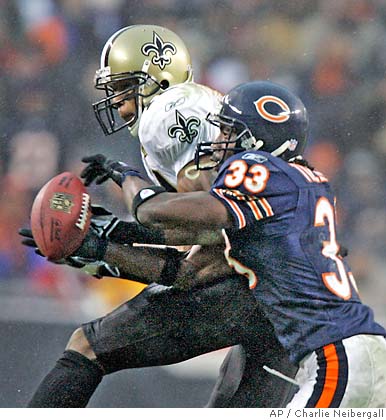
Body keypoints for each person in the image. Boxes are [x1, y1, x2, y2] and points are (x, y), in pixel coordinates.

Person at [22, 25, 297, 408]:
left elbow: (207, 241)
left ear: (155, 76)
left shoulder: (172, 112)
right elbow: (200, 245)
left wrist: (106, 245)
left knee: (86, 348)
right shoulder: (198, 107)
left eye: (122, 86)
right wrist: (107, 246)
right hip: (291, 296)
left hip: (254, 286)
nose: (118, 102)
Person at [87, 80, 386, 408]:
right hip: (355, 354)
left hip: (335, 360)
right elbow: (197, 252)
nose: (217, 140)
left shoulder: (257, 169)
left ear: (257, 139)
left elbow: (155, 212)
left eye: (228, 130)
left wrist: (127, 177)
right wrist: (112, 241)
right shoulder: (302, 180)